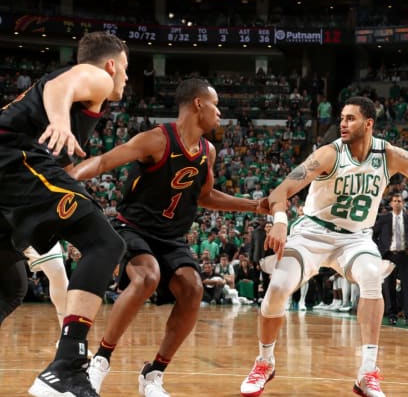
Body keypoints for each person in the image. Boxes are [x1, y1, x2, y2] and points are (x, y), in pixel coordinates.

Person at [239, 96, 408, 397]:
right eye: (342, 118)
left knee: (373, 276)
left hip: (355, 238)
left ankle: (367, 372)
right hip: (312, 234)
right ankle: (265, 361)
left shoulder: (390, 155)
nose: (343, 124)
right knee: (279, 286)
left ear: (369, 123)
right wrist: (281, 220)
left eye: (350, 118)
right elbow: (282, 189)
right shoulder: (328, 154)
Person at [69, 79, 268, 395]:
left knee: (193, 289)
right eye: (217, 106)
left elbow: (205, 196)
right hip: (132, 227)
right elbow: (105, 161)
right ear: (199, 105)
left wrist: (255, 205)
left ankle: (153, 373)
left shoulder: (208, 151)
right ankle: (100, 361)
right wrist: (66, 178)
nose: (221, 114)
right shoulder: (155, 140)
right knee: (147, 276)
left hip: (172, 236)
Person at [0, 31, 129, 397]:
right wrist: (58, 120)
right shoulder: (97, 76)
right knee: (104, 243)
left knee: (10, 284)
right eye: (126, 69)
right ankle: (66, 368)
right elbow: (63, 84)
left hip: (11, 172)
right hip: (14, 159)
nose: (126, 77)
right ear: (111, 64)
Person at [373, 193, 408, 326]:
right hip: (388, 255)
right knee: (389, 287)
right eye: (395, 201)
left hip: (405, 255)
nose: (397, 203)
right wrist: (379, 249)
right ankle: (392, 315)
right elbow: (374, 235)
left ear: (403, 203)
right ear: (391, 204)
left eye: (399, 201)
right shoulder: (383, 218)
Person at [23, 243, 68, 329]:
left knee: (15, 292)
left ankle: (67, 335)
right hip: (35, 234)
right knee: (59, 280)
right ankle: (68, 336)